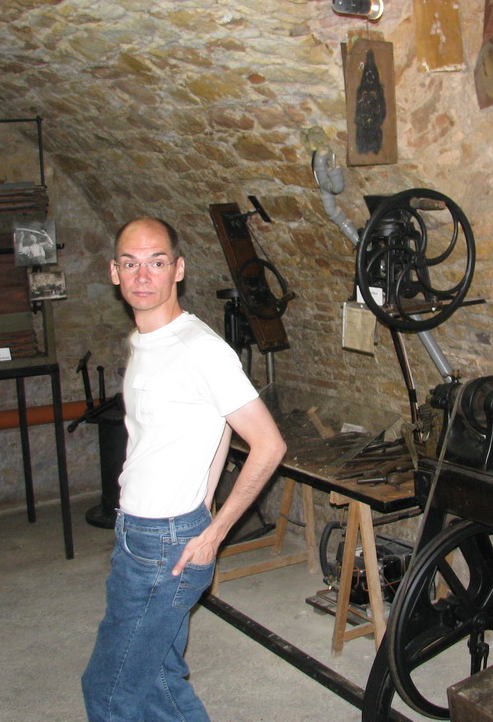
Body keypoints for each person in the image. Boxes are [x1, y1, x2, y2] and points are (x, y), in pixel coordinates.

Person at [82, 216, 287, 721]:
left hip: (167, 544)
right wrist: (206, 498)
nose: (142, 275)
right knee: (158, 682)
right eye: (131, 263)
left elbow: (268, 445)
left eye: (156, 262)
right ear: (114, 272)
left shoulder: (200, 349)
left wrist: (214, 531)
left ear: (178, 269)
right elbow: (217, 426)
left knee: (109, 691)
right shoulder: (144, 340)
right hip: (138, 532)